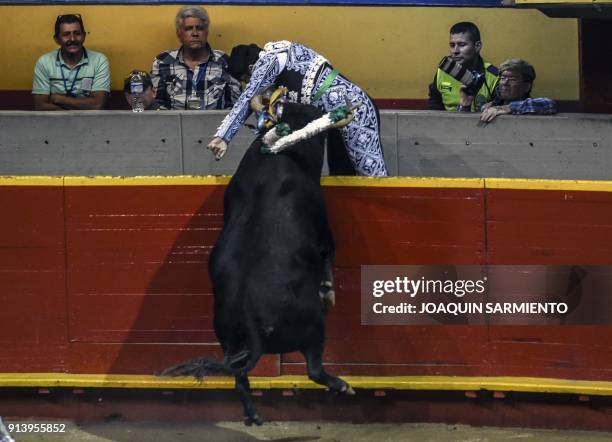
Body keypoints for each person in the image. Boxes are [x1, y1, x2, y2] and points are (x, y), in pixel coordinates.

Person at [208, 41, 388, 177]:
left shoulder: (270, 60)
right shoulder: (281, 60)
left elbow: (249, 97)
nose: (248, 82)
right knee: (342, 176)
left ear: (251, 68)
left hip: (355, 110)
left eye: (247, 78)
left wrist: (223, 137)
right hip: (335, 118)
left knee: (371, 175)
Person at [150, 5, 240, 111]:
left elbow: (234, 107)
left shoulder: (223, 61)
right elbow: (156, 104)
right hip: (171, 125)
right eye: (188, 29)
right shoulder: (163, 62)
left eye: (200, 28)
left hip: (215, 125)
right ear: (179, 34)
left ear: (206, 33)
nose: (195, 33)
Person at [32, 14, 110, 110]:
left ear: (84, 36)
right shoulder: (44, 62)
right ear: (57, 40)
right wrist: (76, 111)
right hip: (54, 123)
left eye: (77, 33)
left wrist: (59, 99)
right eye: (66, 34)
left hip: (89, 122)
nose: (72, 39)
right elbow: (40, 106)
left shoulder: (99, 60)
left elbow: (97, 105)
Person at [428, 22, 498, 112]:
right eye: (452, 45)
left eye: (461, 45)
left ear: (477, 46)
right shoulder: (443, 71)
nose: (455, 51)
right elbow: (434, 108)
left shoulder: (493, 76)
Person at [480, 59, 557, 123]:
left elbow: (549, 104)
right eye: (503, 78)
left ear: (526, 86)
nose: (505, 83)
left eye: (512, 79)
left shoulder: (532, 106)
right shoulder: (492, 107)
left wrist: (508, 108)